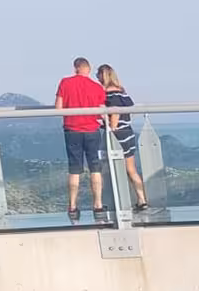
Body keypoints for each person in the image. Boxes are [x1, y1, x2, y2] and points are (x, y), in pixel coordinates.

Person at [55, 56, 108, 223]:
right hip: (92, 130)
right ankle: (98, 205)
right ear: (89, 69)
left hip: (72, 130)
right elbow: (101, 110)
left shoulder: (65, 83)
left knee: (74, 169)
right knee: (95, 168)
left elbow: (58, 107)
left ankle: (72, 206)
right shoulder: (97, 87)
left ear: (75, 68)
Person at [96, 65, 151, 214]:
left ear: (104, 76)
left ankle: (113, 205)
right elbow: (129, 110)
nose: (97, 78)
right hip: (128, 132)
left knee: (107, 170)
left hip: (117, 134)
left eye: (98, 75)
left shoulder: (109, 94)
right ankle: (142, 199)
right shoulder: (123, 92)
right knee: (131, 169)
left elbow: (114, 112)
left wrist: (111, 128)